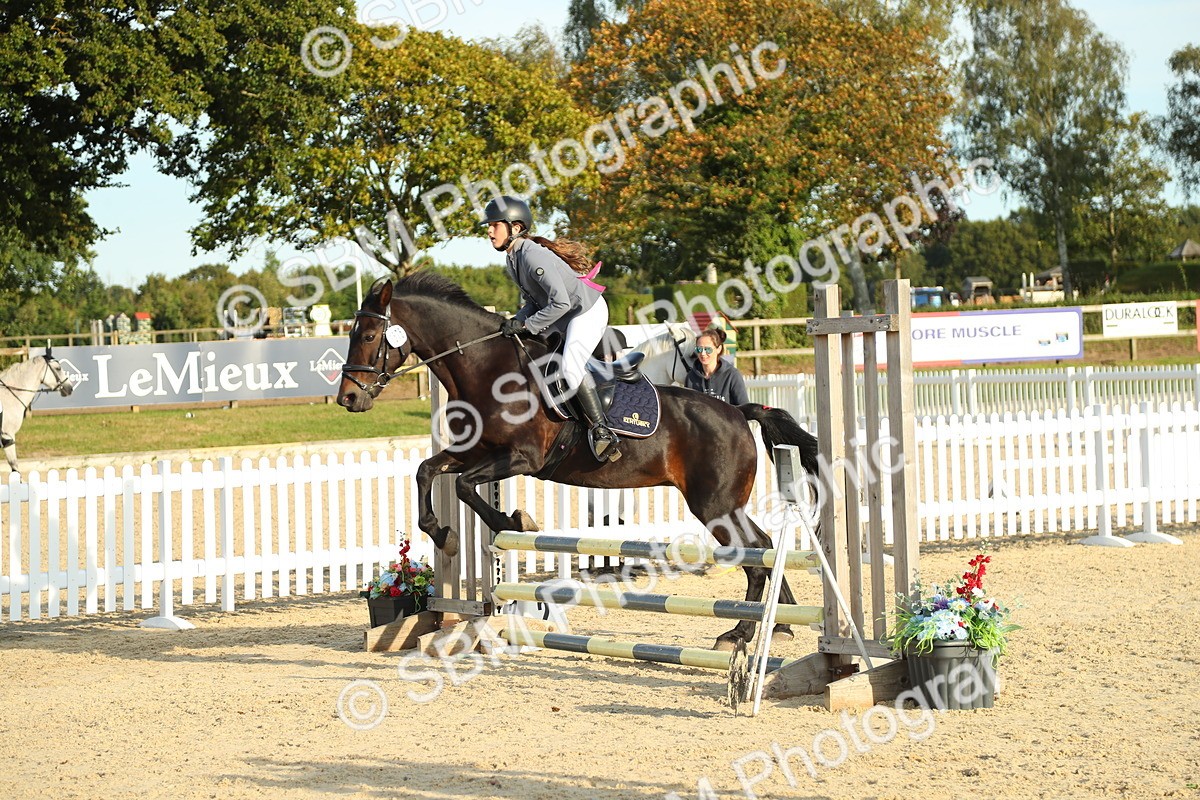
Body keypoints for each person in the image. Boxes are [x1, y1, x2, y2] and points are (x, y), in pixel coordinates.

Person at [483, 195, 620, 462]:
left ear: (516, 227)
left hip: (586, 311)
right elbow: (534, 302)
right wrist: (516, 320)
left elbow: (561, 302)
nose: (489, 231)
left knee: (570, 366)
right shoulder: (513, 259)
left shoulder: (532, 255)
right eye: (488, 225)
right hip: (566, 314)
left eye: (495, 224)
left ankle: (602, 430)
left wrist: (527, 325)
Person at [685, 324, 748, 405]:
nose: (703, 353)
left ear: (718, 349)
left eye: (708, 349)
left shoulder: (732, 375)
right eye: (699, 349)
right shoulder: (691, 377)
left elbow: (744, 408)